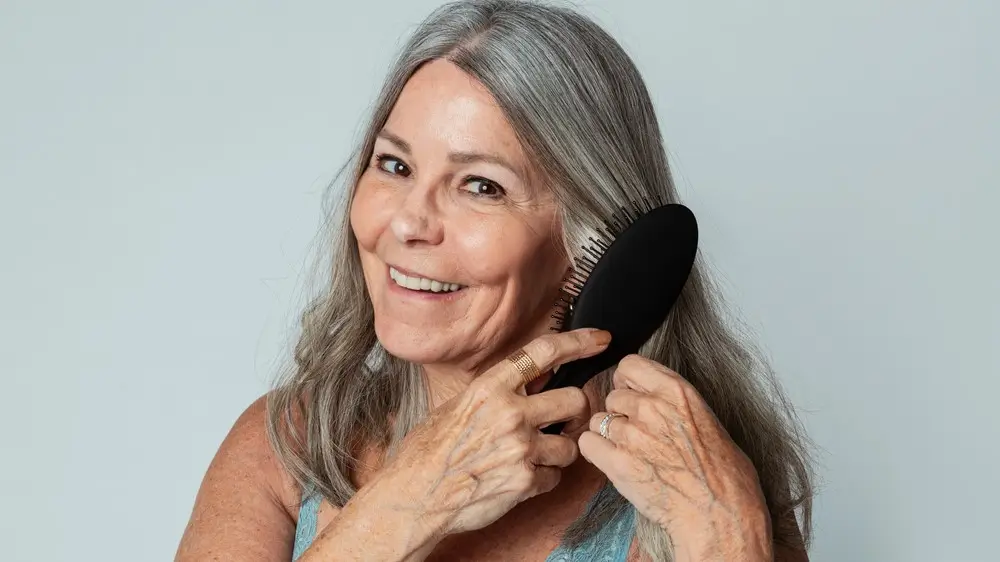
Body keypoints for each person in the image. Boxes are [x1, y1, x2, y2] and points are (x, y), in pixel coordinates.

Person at [176, 1, 813, 560]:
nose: (409, 221)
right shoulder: (285, 446)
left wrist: (731, 542)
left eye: (481, 186)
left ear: (593, 239)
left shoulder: (696, 492)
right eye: (393, 165)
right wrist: (405, 506)